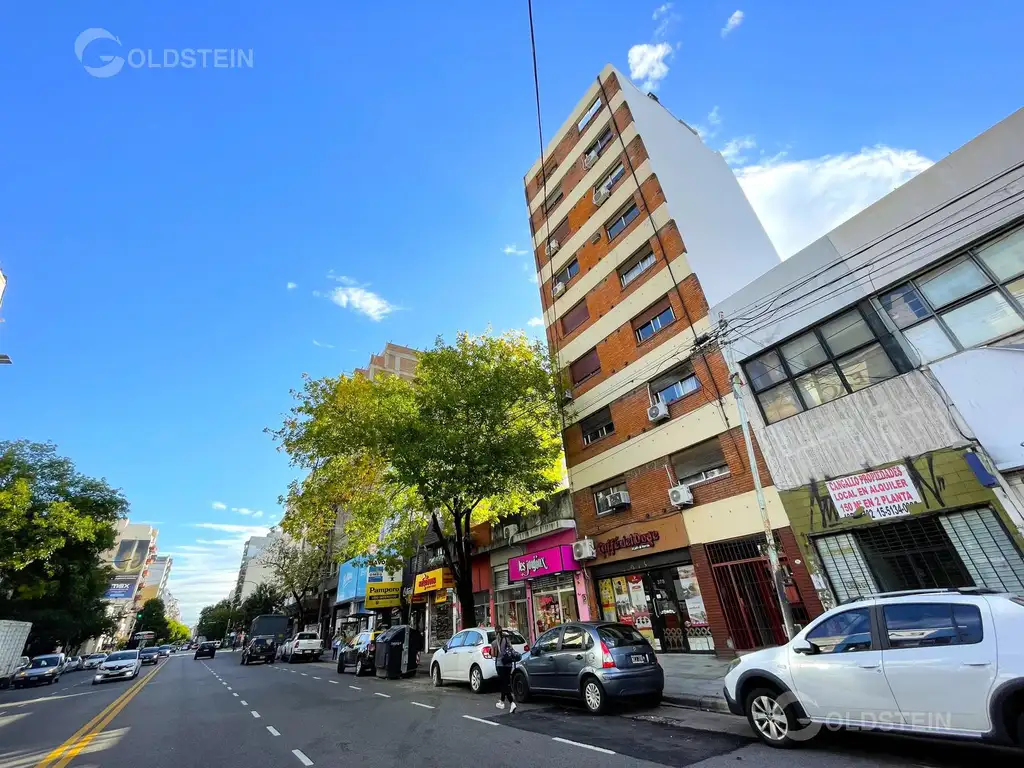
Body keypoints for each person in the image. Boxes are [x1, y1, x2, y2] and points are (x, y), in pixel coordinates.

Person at [491, 625, 518, 713]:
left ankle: (512, 702)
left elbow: (493, 654)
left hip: (500, 665)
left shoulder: (494, 643)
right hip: (509, 664)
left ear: (495, 632)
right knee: (505, 682)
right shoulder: (507, 639)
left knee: (504, 684)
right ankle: (502, 702)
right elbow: (511, 649)